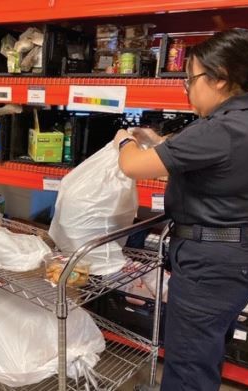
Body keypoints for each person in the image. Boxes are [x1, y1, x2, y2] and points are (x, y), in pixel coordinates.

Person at [114, 28, 248, 391]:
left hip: (209, 264)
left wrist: (125, 139)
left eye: (190, 79)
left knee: (188, 362)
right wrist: (158, 143)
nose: (188, 89)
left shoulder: (219, 129)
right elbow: (207, 159)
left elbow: (132, 166)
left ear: (219, 78)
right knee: (206, 350)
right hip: (234, 259)